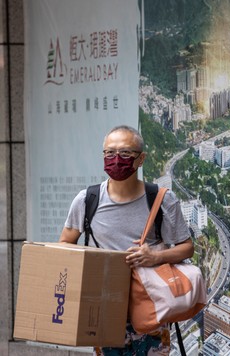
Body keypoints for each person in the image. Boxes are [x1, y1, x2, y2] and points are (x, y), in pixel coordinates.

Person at [59, 125, 194, 356]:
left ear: (141, 159)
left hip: (151, 308)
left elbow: (187, 248)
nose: (116, 159)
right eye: (109, 153)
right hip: (105, 311)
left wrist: (155, 256)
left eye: (125, 153)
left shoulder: (161, 200)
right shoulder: (86, 200)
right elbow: (64, 245)